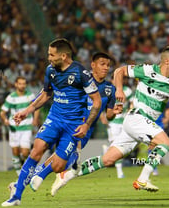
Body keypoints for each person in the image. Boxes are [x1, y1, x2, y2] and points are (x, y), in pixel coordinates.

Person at [50, 45, 169, 195]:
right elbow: (119, 71)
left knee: (108, 160)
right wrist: (119, 90)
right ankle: (143, 179)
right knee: (165, 142)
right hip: (137, 118)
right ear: (167, 61)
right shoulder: (148, 70)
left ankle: (66, 175)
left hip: (141, 124)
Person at [1, 38, 101, 207]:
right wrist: (27, 111)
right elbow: (46, 94)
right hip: (54, 118)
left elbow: (96, 101)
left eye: (51, 55)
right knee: (36, 150)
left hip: (73, 124)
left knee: (58, 166)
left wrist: (86, 125)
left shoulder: (81, 73)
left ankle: (32, 177)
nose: (48, 58)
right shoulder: (50, 71)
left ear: (63, 56)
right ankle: (16, 196)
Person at [28, 52, 123, 191]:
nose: (106, 68)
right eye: (102, 64)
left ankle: (36, 175)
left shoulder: (110, 89)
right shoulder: (81, 79)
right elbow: (53, 90)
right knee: (61, 155)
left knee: (64, 158)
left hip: (86, 130)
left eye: (108, 65)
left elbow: (108, 116)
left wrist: (114, 112)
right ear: (93, 65)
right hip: (69, 122)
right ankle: (37, 175)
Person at [0, 76, 39, 176]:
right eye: (20, 83)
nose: (22, 86)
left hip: (26, 127)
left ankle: (25, 170)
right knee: (15, 152)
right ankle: (19, 174)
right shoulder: (11, 97)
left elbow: (37, 107)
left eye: (24, 83)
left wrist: (35, 119)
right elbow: (3, 112)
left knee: (25, 152)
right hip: (14, 128)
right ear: (16, 84)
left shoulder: (30, 95)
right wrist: (5, 120)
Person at [100, 78, 133, 179]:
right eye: (114, 80)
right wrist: (102, 116)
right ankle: (120, 172)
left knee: (121, 146)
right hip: (112, 122)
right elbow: (102, 104)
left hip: (124, 122)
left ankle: (107, 151)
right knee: (117, 145)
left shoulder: (127, 90)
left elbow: (132, 103)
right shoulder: (108, 90)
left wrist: (130, 110)